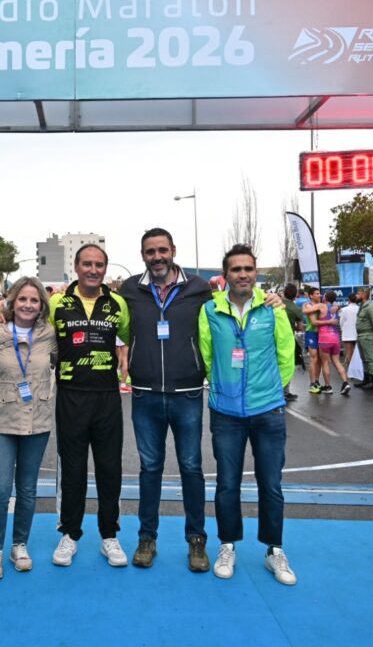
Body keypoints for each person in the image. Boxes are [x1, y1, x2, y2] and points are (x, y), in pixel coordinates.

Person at [198, 245, 296, 585]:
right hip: (226, 413)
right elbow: (207, 355)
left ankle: (274, 551)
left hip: (268, 410)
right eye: (236, 269)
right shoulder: (209, 310)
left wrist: (272, 390)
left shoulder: (272, 308)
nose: (242, 274)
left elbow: (286, 351)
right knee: (227, 485)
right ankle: (228, 545)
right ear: (226, 275)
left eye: (248, 269)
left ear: (256, 273)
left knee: (271, 484)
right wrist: (224, 388)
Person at [121, 228, 214, 572]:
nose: (157, 256)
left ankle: (197, 541)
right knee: (149, 469)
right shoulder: (131, 289)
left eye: (162, 250)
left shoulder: (199, 288)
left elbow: (230, 307)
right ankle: (147, 538)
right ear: (142, 254)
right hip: (144, 394)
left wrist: (272, 298)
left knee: (191, 467)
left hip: (187, 393)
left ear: (173, 250)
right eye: (150, 251)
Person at [49, 244, 131, 568]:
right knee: (72, 469)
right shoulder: (57, 302)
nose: (93, 270)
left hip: (107, 396)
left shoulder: (118, 304)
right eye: (87, 264)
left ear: (105, 269)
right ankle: (70, 534)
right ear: (76, 266)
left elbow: (125, 339)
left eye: (99, 265)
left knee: (110, 468)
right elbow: (39, 334)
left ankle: (109, 535)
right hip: (70, 395)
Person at [0, 277, 57, 579]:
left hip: (38, 421)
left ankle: (19, 545)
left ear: (42, 305)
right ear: (11, 301)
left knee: (28, 490)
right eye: (23, 299)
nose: (28, 305)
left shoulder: (49, 334)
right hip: (0, 421)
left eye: (34, 300)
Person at [354, 287, 373, 390]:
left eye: (358, 293)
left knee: (369, 359)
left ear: (364, 295)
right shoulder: (362, 306)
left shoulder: (370, 307)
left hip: (367, 335)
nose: (356, 295)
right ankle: (366, 380)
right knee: (364, 359)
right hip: (361, 335)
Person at [282, 284, 306, 379]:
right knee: (287, 363)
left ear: (284, 293)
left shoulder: (276, 304)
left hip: (273, 337)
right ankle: (286, 390)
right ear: (296, 295)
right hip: (288, 338)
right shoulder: (296, 308)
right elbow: (300, 328)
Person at [302, 287, 323, 393]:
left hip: (321, 334)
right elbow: (313, 321)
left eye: (319, 293)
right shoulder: (307, 305)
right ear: (311, 295)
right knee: (314, 358)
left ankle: (317, 381)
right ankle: (312, 383)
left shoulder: (321, 304)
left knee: (319, 358)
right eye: (316, 293)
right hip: (311, 333)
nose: (319, 295)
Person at [339, 293, 359, 369]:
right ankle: (355, 368)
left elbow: (341, 322)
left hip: (347, 334)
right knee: (356, 352)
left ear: (349, 300)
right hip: (357, 333)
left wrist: (342, 329)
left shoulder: (344, 310)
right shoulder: (360, 309)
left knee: (349, 352)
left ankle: (351, 369)